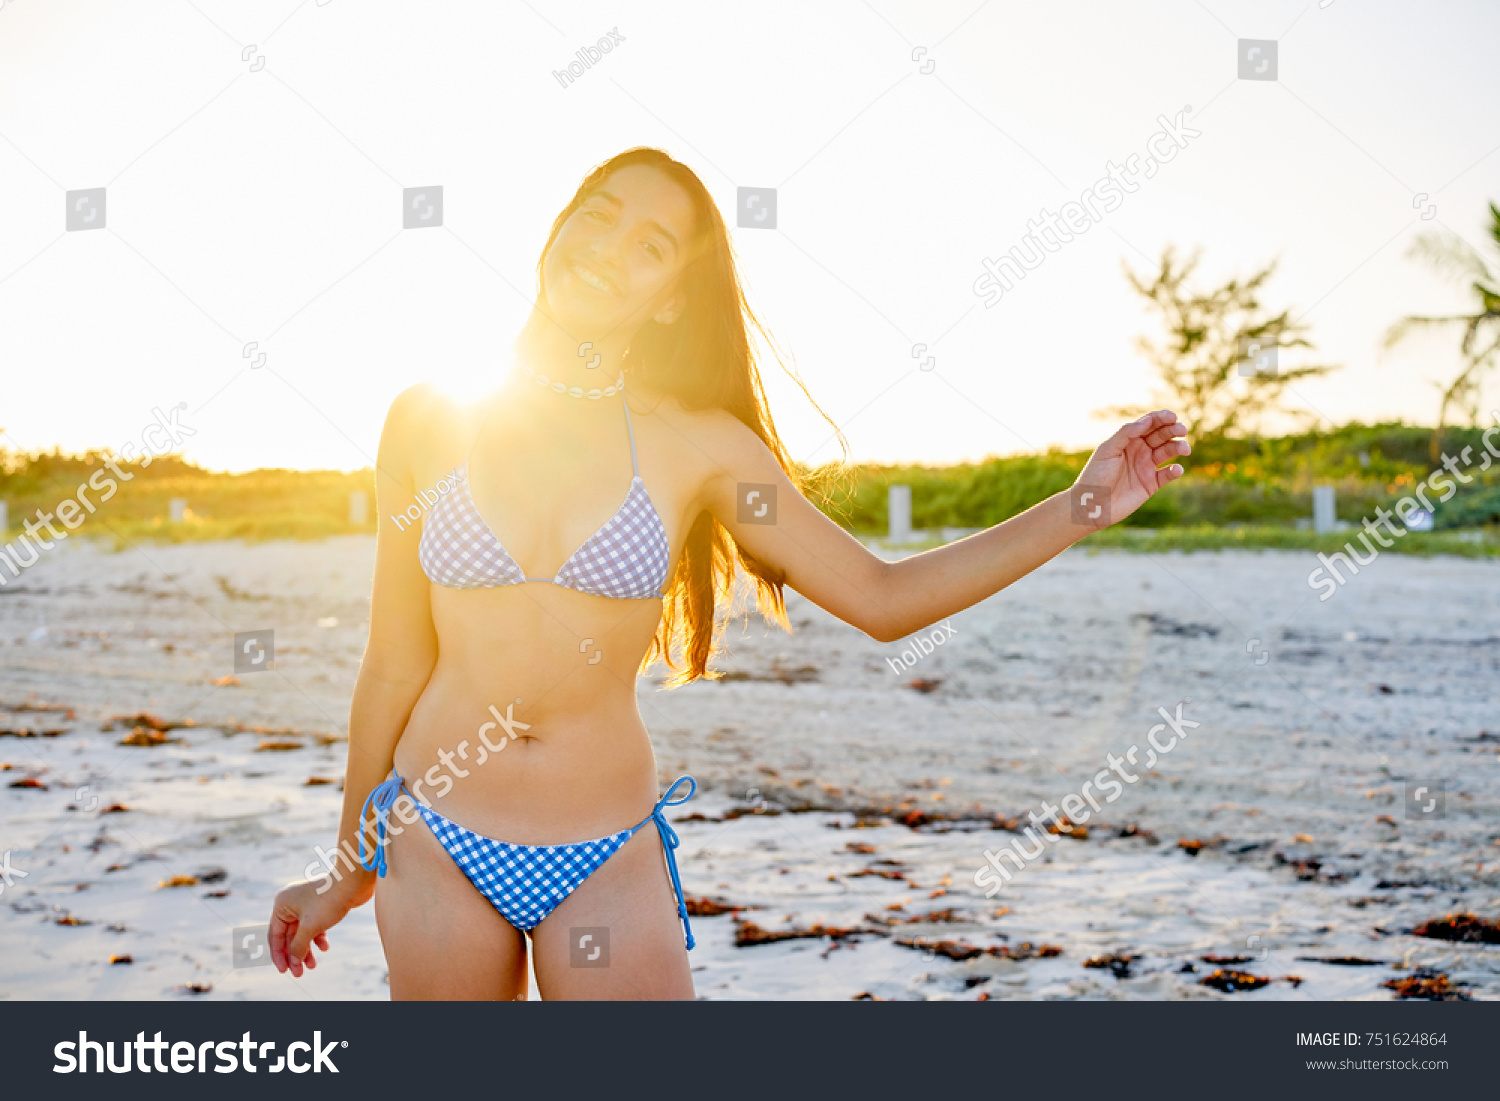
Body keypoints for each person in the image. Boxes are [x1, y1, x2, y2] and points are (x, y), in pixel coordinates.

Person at [266, 146, 1189, 1000]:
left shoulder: (701, 450)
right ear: (557, 226)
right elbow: (392, 661)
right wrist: (348, 868)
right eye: (598, 213)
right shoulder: (428, 420)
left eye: (649, 245)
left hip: (602, 851)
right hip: (436, 837)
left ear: (671, 297)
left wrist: (1082, 507)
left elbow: (882, 598)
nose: (606, 245)